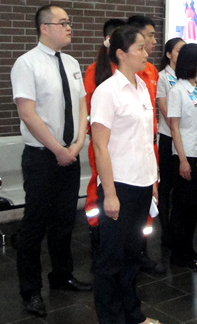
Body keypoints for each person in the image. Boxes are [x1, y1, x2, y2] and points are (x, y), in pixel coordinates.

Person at [11, 4, 91, 317]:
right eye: (63, 23)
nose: (69, 27)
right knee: (35, 225)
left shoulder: (71, 62)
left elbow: (82, 105)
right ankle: (30, 290)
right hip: (43, 157)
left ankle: (62, 275)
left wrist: (78, 143)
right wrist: (58, 149)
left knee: (64, 220)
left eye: (70, 22)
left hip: (70, 153)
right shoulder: (26, 63)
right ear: (44, 28)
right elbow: (27, 113)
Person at [91, 25, 161, 324]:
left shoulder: (142, 86)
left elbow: (145, 140)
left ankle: (133, 315)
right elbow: (100, 146)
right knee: (111, 259)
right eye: (140, 48)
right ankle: (110, 318)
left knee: (133, 255)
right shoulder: (107, 92)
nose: (146, 53)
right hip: (119, 184)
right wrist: (109, 194)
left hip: (142, 182)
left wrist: (153, 181)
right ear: (121, 53)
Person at [126, 15, 165, 274]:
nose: (153, 41)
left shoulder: (149, 72)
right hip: (123, 147)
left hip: (148, 145)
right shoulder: (110, 74)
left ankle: (140, 252)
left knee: (146, 203)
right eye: (149, 36)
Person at [84, 18, 125, 256]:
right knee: (99, 188)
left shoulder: (139, 71)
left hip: (128, 144)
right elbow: (91, 111)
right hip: (103, 143)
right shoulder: (95, 70)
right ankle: (97, 233)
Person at [168, 43, 197, 269]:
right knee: (182, 207)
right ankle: (178, 252)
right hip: (185, 155)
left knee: (193, 207)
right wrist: (182, 160)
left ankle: (188, 248)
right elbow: (174, 128)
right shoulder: (177, 90)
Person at [156, 37, 185, 254]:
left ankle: (178, 230)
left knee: (181, 187)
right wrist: (180, 128)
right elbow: (165, 111)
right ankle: (165, 231)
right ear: (168, 54)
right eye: (178, 50)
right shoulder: (162, 77)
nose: (182, 54)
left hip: (186, 139)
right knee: (165, 186)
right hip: (168, 137)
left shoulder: (189, 78)